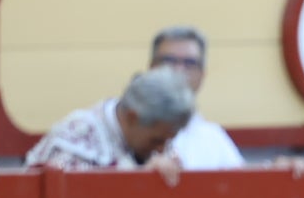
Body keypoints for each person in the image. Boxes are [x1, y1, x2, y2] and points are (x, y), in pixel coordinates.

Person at [27, 67, 194, 173]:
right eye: (156, 140)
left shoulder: (157, 136)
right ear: (132, 117)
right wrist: (140, 184)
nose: (162, 149)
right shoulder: (77, 139)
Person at [145, 25, 242, 169]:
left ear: (202, 74)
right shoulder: (126, 128)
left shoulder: (213, 138)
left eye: (189, 63)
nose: (178, 71)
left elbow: (243, 187)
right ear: (152, 68)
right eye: (169, 61)